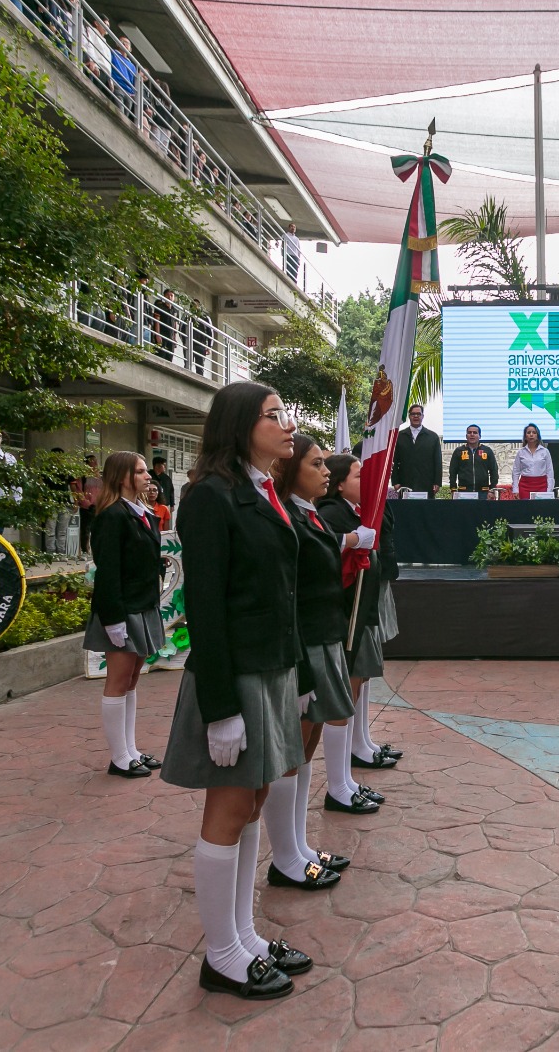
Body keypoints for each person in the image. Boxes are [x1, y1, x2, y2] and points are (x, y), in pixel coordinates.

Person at [159, 381, 311, 1001]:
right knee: (226, 811)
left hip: (270, 669)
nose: (288, 425)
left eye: (285, 415)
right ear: (241, 424)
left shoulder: (261, 490)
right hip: (236, 677)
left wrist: (294, 675)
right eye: (274, 416)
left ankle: (243, 934)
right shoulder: (210, 498)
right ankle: (220, 953)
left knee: (251, 805)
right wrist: (221, 710)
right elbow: (209, 609)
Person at [271, 436, 371, 888]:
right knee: (294, 749)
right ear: (292, 471)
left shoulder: (307, 511)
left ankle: (299, 845)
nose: (326, 471)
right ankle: (286, 857)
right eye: (316, 463)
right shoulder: (288, 513)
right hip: (306, 638)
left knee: (306, 747)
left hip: (324, 632)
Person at [319, 454, 402, 801]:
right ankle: (338, 785)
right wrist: (352, 539)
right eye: (357, 476)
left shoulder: (353, 512)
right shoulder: (332, 514)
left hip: (361, 612)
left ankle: (349, 773)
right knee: (343, 696)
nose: (364, 482)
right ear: (339, 483)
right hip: (344, 616)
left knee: (358, 682)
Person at [84, 452, 165, 779]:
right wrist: (113, 620)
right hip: (122, 609)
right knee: (118, 681)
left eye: (147, 471)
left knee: (132, 680)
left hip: (142, 605)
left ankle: (130, 750)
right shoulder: (112, 516)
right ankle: (119, 757)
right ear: (122, 477)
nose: (148, 477)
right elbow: (108, 573)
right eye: (141, 471)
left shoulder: (140, 512)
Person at [391, 404, 442, 496]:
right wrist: (395, 482)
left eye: (418, 414)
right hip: (404, 483)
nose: (416, 416)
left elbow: (437, 462)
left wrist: (437, 482)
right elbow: (393, 461)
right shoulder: (399, 436)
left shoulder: (432, 437)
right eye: (413, 414)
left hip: (426, 483)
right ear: (409, 416)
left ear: (422, 416)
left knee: (426, 509)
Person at [447, 425, 498, 497]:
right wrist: (453, 489)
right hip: (463, 492)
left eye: (475, 432)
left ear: (480, 436)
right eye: (469, 432)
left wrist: (492, 489)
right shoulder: (458, 451)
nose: (472, 434)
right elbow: (453, 472)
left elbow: (494, 471)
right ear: (466, 436)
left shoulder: (487, 451)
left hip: (483, 492)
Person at [510, 423, 556, 498]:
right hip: (525, 486)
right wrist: (515, 489)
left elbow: (550, 472)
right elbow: (515, 472)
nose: (531, 435)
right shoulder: (520, 452)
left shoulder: (545, 451)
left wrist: (549, 490)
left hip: (542, 486)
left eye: (534, 432)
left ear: (537, 436)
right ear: (525, 436)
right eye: (528, 433)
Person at [74, 455, 102, 555]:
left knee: (98, 530)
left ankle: (96, 550)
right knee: (86, 529)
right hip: (87, 508)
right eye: (92, 461)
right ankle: (85, 550)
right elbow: (79, 492)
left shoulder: (100, 477)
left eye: (95, 461)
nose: (95, 463)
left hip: (99, 507)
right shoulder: (82, 476)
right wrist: (88, 504)